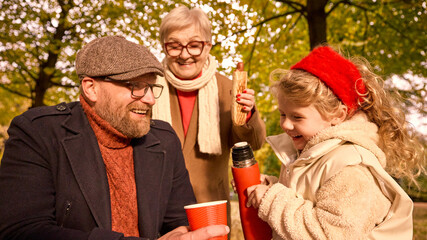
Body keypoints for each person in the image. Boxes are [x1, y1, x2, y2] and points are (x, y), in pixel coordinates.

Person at [0, 35, 229, 240]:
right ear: (91, 88)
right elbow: (20, 230)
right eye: (136, 86)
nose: (150, 99)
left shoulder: (165, 140)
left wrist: (181, 233)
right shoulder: (37, 132)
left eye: (151, 87)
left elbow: (179, 221)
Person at [245, 46, 425, 239]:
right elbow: (307, 198)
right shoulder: (308, 153)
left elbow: (329, 233)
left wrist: (272, 199)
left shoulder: (351, 168)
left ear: (337, 115)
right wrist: (272, 188)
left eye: (297, 117)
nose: (286, 124)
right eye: (282, 114)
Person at [153, 5, 266, 227]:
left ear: (208, 47)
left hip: (209, 206)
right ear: (164, 47)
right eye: (174, 46)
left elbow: (254, 143)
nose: (185, 55)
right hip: (157, 205)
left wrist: (247, 114)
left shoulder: (227, 88)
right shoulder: (148, 88)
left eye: (194, 45)